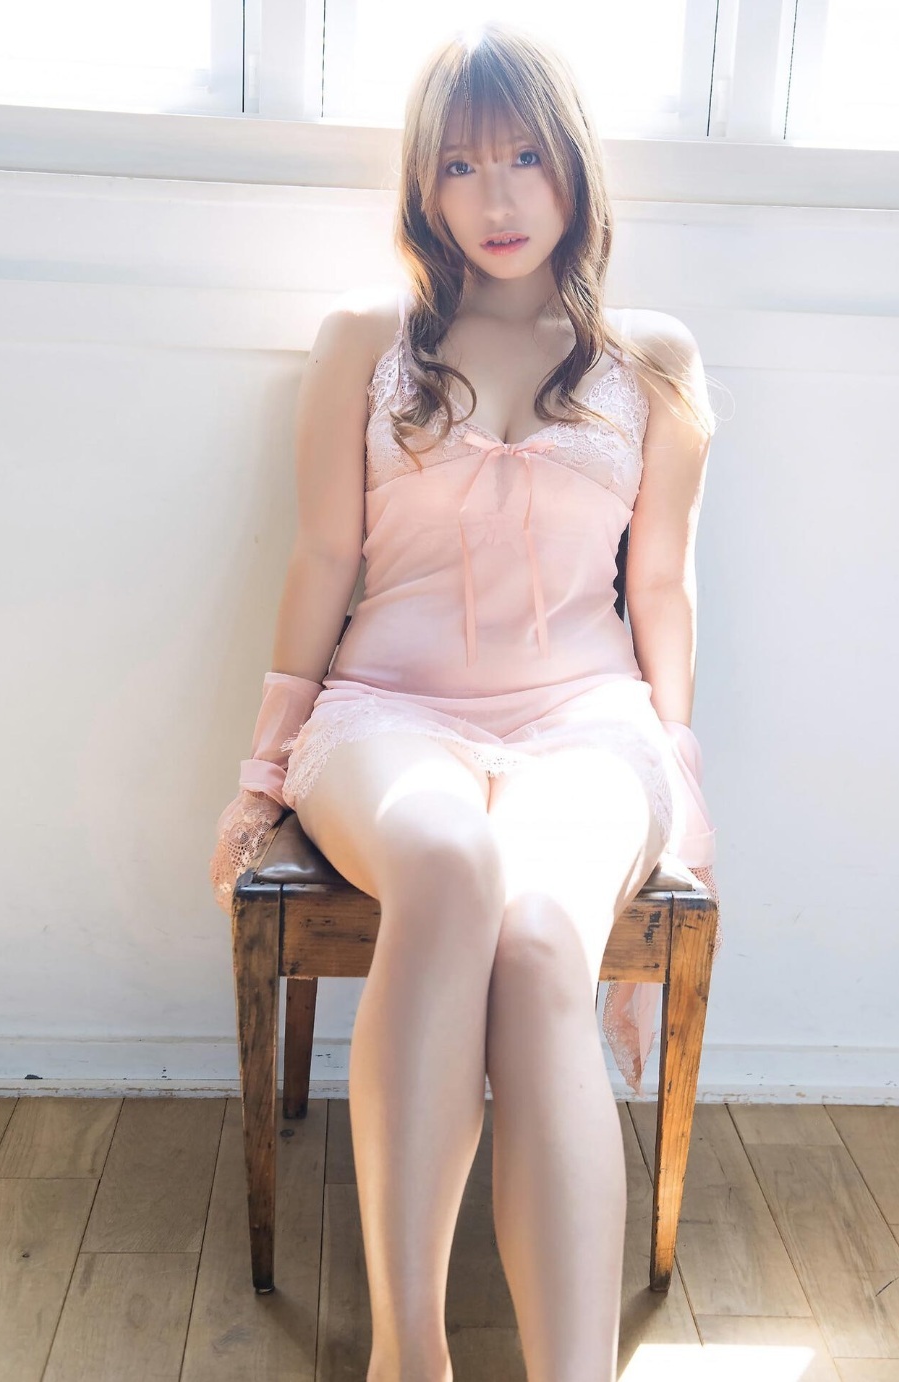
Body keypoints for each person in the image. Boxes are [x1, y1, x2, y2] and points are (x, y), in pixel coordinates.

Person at [210, 20, 724, 1382]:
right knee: (445, 863)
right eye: (458, 164)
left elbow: (660, 587)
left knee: (547, 934)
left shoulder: (652, 358)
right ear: (422, 186)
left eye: (523, 158)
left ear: (574, 169)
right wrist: (262, 768)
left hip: (586, 721)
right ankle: (410, 1356)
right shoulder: (363, 340)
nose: (494, 196)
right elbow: (323, 556)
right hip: (385, 713)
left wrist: (680, 773)